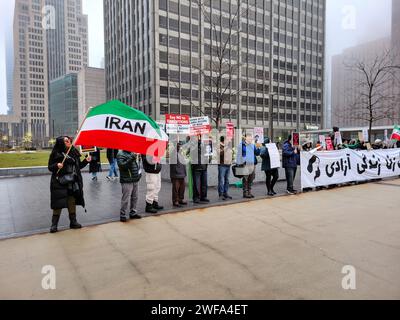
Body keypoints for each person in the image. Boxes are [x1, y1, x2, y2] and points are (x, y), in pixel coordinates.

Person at [48, 136, 91, 233]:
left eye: (69, 140)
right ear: (61, 143)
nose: (69, 142)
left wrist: (86, 161)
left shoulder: (73, 152)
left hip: (72, 182)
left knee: (71, 201)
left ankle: (73, 222)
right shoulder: (56, 153)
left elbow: (78, 166)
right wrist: (56, 165)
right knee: (58, 203)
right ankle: (54, 225)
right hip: (59, 182)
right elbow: (50, 167)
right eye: (66, 141)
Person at [116, 150, 142, 222]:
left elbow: (135, 165)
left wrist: (138, 174)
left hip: (135, 179)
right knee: (125, 198)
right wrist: (132, 158)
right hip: (127, 179)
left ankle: (133, 212)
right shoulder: (120, 154)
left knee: (135, 197)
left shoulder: (132, 153)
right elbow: (122, 166)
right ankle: (122, 214)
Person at [237, 133, 260, 199]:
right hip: (245, 164)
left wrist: (258, 147)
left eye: (251, 138)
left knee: (251, 178)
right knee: (245, 179)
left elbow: (257, 153)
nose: (250, 139)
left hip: (252, 164)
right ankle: (245, 193)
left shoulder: (252, 145)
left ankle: (249, 192)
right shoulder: (241, 145)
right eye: (249, 138)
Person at [190, 136, 210, 204]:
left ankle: (203, 197)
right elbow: (191, 152)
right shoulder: (192, 145)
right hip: (196, 167)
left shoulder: (204, 145)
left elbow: (207, 154)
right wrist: (197, 144)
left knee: (204, 183)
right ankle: (196, 197)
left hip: (204, 167)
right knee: (196, 184)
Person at [170, 142, 188, 208]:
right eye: (179, 146)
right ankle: (175, 200)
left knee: (182, 188)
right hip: (176, 174)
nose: (180, 147)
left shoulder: (181, 153)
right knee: (176, 188)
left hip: (182, 173)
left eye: (180, 146)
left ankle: (180, 199)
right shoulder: (173, 153)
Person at [218, 136, 233, 200]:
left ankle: (225, 193)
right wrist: (226, 147)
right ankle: (221, 194)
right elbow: (220, 154)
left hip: (228, 165)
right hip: (222, 165)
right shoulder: (219, 145)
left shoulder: (228, 146)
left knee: (227, 180)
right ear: (223, 140)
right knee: (221, 180)